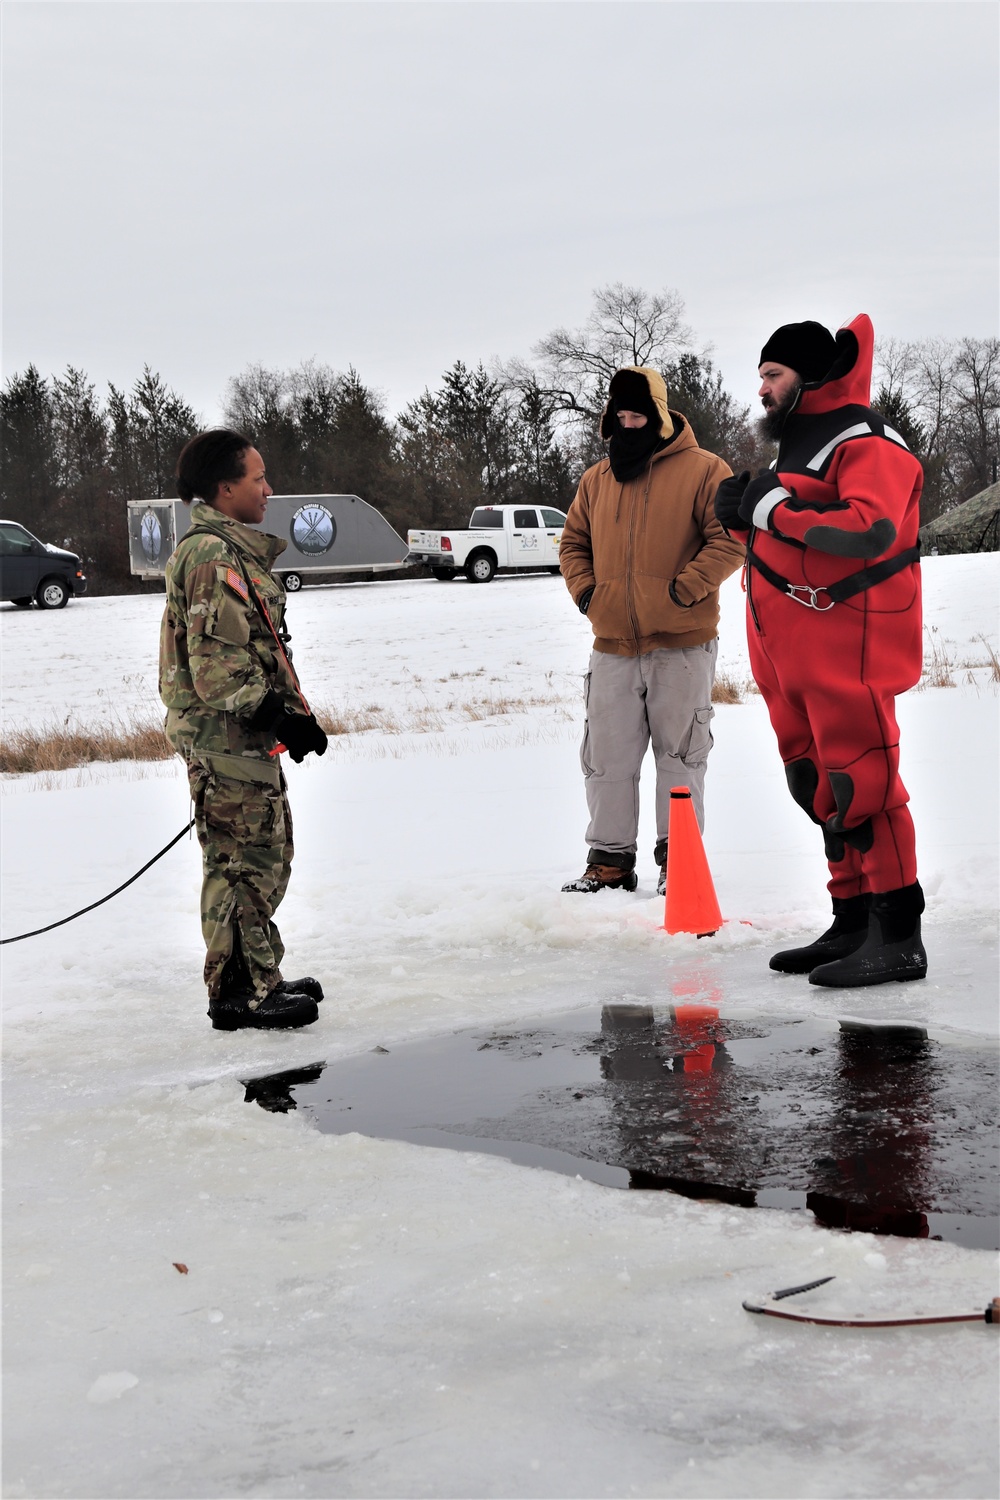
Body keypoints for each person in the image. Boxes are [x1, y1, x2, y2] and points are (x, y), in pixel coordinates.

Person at [714, 314, 926, 987]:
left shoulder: (866, 439)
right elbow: (797, 534)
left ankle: (899, 935)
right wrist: (742, 513)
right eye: (762, 377)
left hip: (849, 640)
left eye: (773, 375)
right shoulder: (798, 444)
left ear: (811, 375)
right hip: (790, 647)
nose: (763, 390)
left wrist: (770, 509)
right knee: (816, 783)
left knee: (862, 780)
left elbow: (871, 530)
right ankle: (851, 920)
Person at [160, 429, 329, 1030]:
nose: (268, 488)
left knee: (266, 854)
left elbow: (253, 648)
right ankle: (238, 993)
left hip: (242, 735)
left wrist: (293, 716)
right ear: (226, 488)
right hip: (224, 736)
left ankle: (260, 973)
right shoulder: (210, 555)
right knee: (240, 860)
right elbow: (217, 668)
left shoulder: (229, 551)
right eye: (258, 478)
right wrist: (273, 713)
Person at [559, 367, 744, 894]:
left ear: (659, 416)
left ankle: (680, 862)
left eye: (637, 415)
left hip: (681, 645)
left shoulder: (705, 470)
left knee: (680, 758)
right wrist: (589, 595)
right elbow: (572, 543)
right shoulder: (596, 479)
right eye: (618, 416)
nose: (627, 424)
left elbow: (730, 539)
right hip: (613, 644)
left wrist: (682, 591)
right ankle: (610, 863)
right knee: (607, 757)